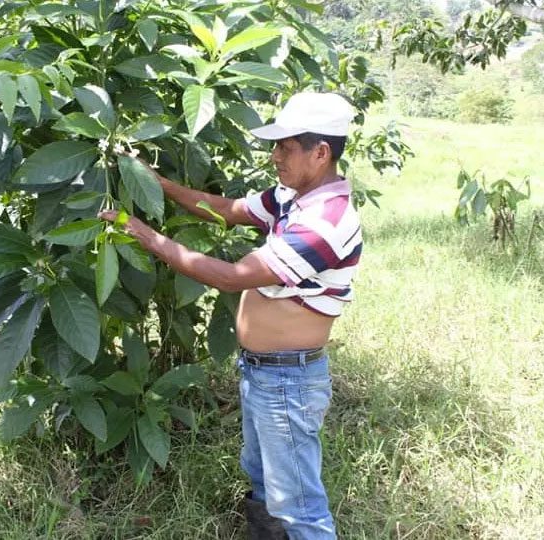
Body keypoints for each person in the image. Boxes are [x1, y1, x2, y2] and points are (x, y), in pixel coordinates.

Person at [99, 92, 361, 540]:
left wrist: (143, 234)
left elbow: (229, 276)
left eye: (286, 147)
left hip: (289, 380)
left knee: (298, 504)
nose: (275, 156)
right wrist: (156, 184)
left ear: (321, 153)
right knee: (261, 475)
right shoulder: (291, 197)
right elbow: (227, 209)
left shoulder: (326, 222)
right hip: (264, 372)